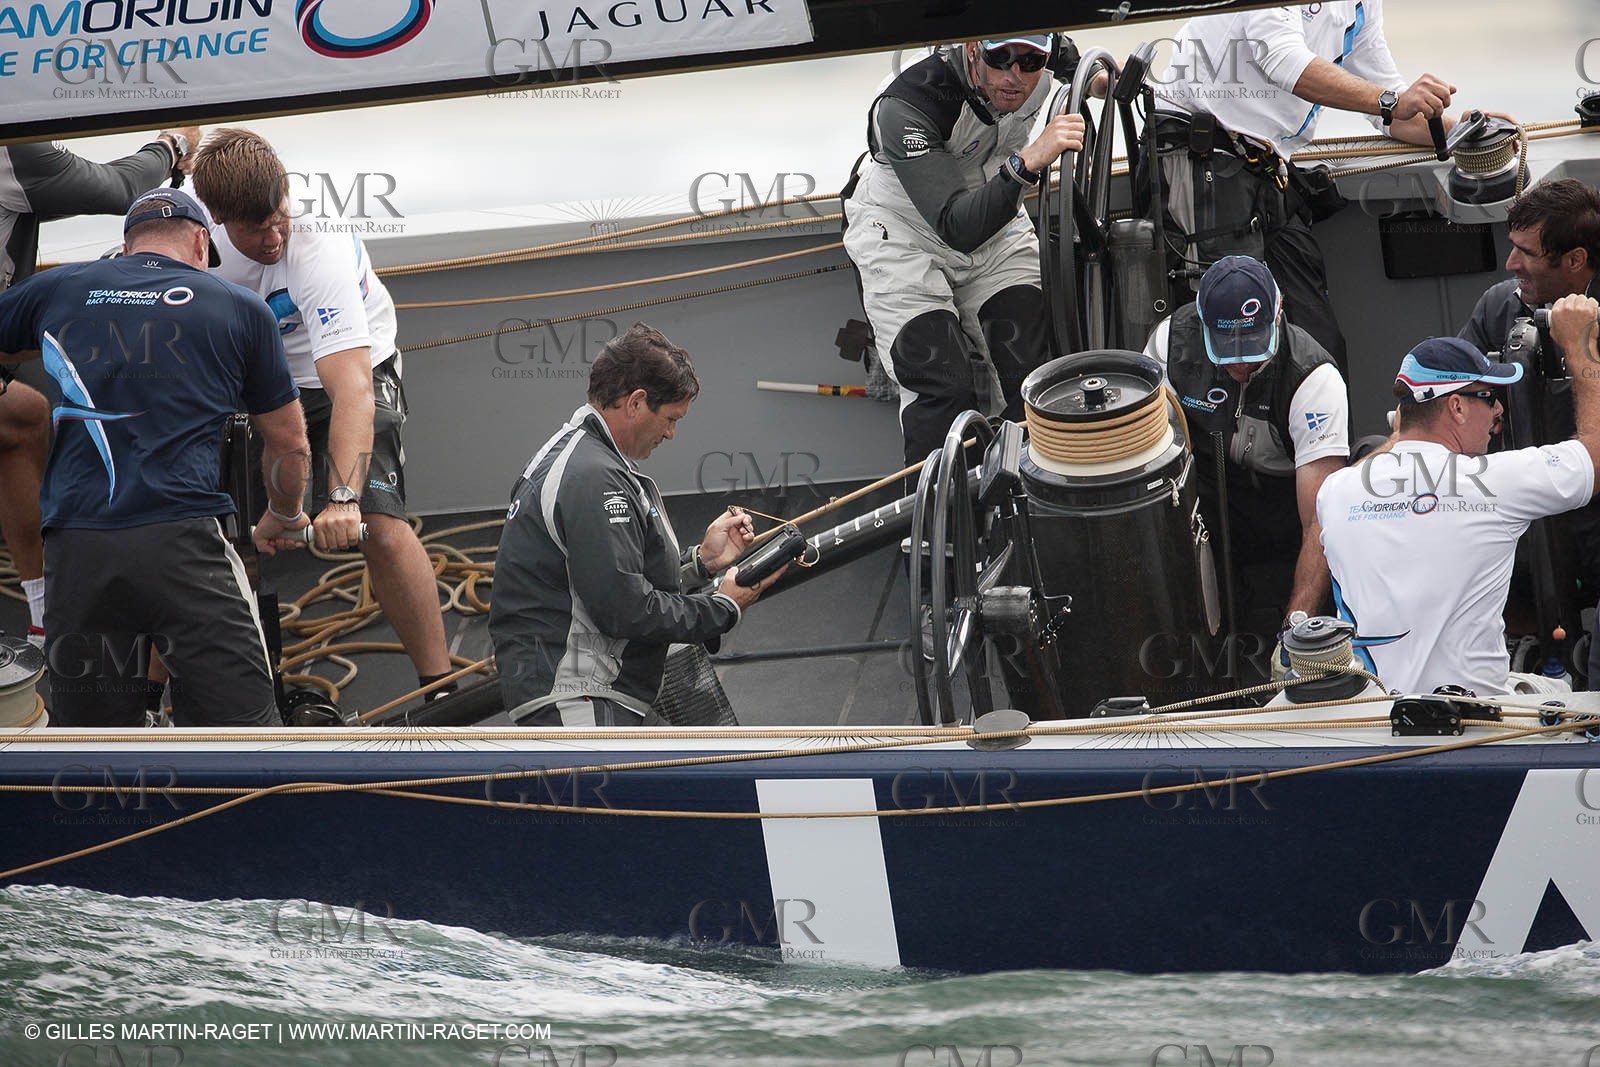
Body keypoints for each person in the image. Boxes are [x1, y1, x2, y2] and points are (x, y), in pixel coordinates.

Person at [0, 187, 311, 726]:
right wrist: (284, 513)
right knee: (243, 739)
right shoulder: (240, 308)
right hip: (184, 547)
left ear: (127, 247)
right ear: (198, 242)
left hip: (77, 551)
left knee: (92, 745)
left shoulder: (61, 286)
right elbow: (289, 443)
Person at [190, 128, 456, 701]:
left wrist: (342, 499)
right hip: (256, 381)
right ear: (215, 222)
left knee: (380, 527)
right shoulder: (195, 241)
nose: (273, 237)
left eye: (278, 218)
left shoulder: (319, 243)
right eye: (254, 230)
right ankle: (187, 698)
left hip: (346, 371)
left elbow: (354, 391)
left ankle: (440, 687)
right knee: (208, 532)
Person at [489, 322, 782, 726]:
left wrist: (701, 564)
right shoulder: (593, 477)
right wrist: (722, 607)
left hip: (583, 694)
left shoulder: (580, 459)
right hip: (579, 702)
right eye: (670, 418)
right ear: (637, 402)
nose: (672, 434)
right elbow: (625, 610)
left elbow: (602, 582)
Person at [1151, 2, 1459, 372]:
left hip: (1264, 172)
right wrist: (1390, 101)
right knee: (1228, 339)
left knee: (1318, 340)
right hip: (1200, 159)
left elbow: (1393, 114)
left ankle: (1317, 422)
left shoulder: (1362, 4)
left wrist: (1466, 131)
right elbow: (1282, 60)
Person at [1317, 321, 1600, 696]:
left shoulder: (1335, 492)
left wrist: (1400, 435)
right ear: (1456, 407)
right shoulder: (1490, 484)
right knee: (1564, 690)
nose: (1499, 409)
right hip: (1474, 724)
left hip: (1373, 717)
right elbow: (1595, 460)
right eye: (1489, 396)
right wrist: (1581, 346)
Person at [843, 34, 1085, 467]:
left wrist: (1097, 77)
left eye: (1031, 62)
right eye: (1001, 59)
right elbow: (958, 225)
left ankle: (1031, 505)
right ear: (972, 48)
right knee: (942, 384)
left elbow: (1070, 56)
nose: (1016, 75)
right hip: (904, 234)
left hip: (994, 220)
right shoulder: (909, 102)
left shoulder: (1049, 52)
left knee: (1031, 374)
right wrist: (1029, 161)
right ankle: (940, 528)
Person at [0, 128, 201, 646]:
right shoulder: (11, 142)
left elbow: (59, 191)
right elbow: (114, 188)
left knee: (20, 415)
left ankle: (45, 610)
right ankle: (52, 610)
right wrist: (172, 145)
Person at [1145, 256, 1348, 657]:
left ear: (1277, 316)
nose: (1240, 363)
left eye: (1253, 348)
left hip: (1283, 502)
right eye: (1226, 350)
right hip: (1204, 493)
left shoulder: (1313, 377)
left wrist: (1298, 631)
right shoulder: (1169, 345)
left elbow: (1320, 523)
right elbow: (1148, 458)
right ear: (1202, 324)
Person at [1456, 178, 1600, 685]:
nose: (1510, 264)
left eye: (1525, 252)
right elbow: (1451, 404)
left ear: (1575, 260)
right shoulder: (1499, 308)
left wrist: (1582, 351)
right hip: (1518, 519)